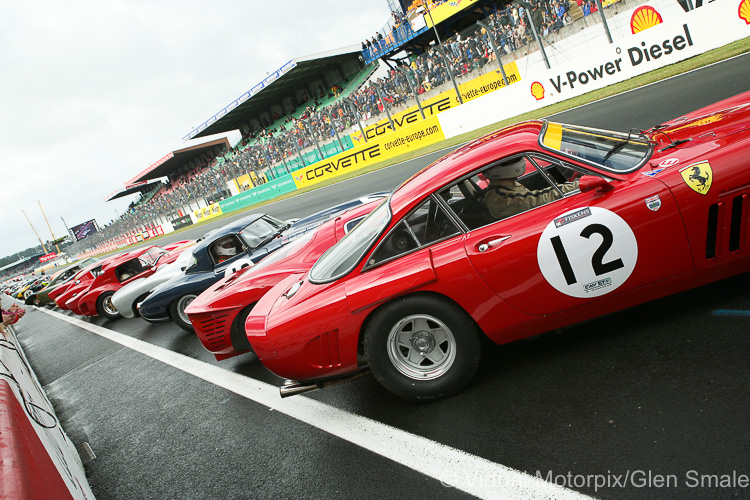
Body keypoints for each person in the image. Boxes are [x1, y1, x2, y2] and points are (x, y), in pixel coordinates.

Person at [484, 157, 578, 220]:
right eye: (510, 160)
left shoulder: (506, 186)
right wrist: (575, 186)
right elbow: (538, 199)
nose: (517, 161)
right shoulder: (499, 198)